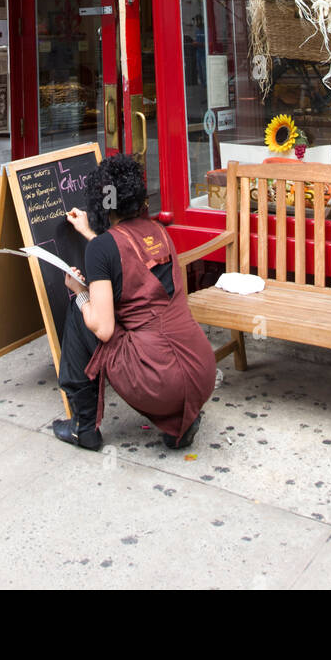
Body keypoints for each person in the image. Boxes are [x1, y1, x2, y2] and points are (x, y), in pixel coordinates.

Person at [53, 153, 217, 452]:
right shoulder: (159, 232)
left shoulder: (102, 249)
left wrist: (79, 292)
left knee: (82, 311)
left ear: (100, 203)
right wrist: (90, 234)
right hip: (201, 370)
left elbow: (103, 330)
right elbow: (130, 260)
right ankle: (180, 420)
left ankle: (83, 427)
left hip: (158, 379)